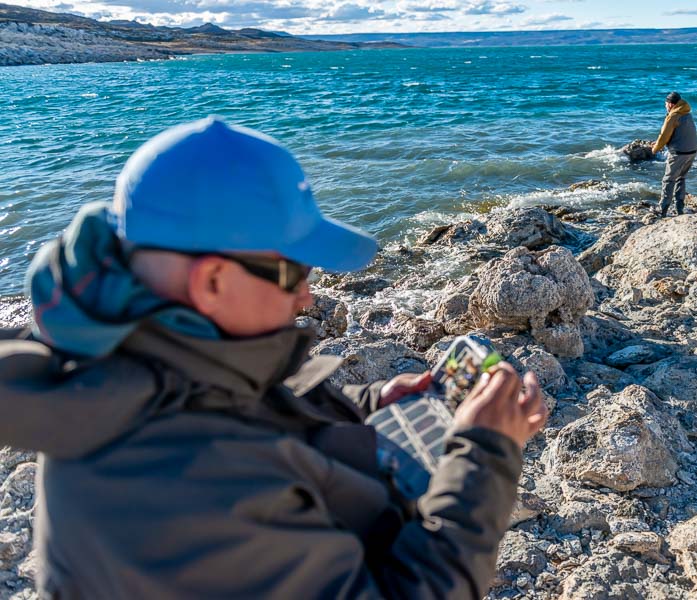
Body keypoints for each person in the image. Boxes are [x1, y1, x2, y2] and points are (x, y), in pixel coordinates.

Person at [0, 117, 547, 599]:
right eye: (295, 272)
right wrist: (485, 455)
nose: (306, 296)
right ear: (212, 280)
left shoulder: (127, 359)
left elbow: (238, 412)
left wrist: (363, 404)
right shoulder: (182, 484)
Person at [650, 91, 697, 217]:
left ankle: (662, 210)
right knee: (681, 178)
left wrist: (655, 149)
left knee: (668, 180)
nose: (665, 106)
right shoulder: (687, 113)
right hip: (692, 150)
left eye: (666, 104)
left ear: (671, 104)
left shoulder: (673, 116)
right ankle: (679, 208)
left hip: (679, 152)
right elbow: (679, 132)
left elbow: (664, 136)